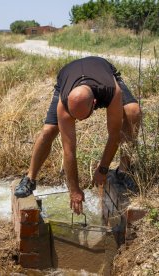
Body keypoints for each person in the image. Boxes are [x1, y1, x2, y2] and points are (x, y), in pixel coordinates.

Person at [14, 56, 141, 215]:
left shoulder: (111, 91)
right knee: (49, 131)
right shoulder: (65, 103)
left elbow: (114, 134)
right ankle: (29, 179)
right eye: (74, 117)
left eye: (82, 117)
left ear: (94, 103)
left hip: (101, 69)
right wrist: (74, 189)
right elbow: (69, 151)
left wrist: (102, 169)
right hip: (69, 76)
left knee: (133, 112)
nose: (78, 121)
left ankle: (124, 169)